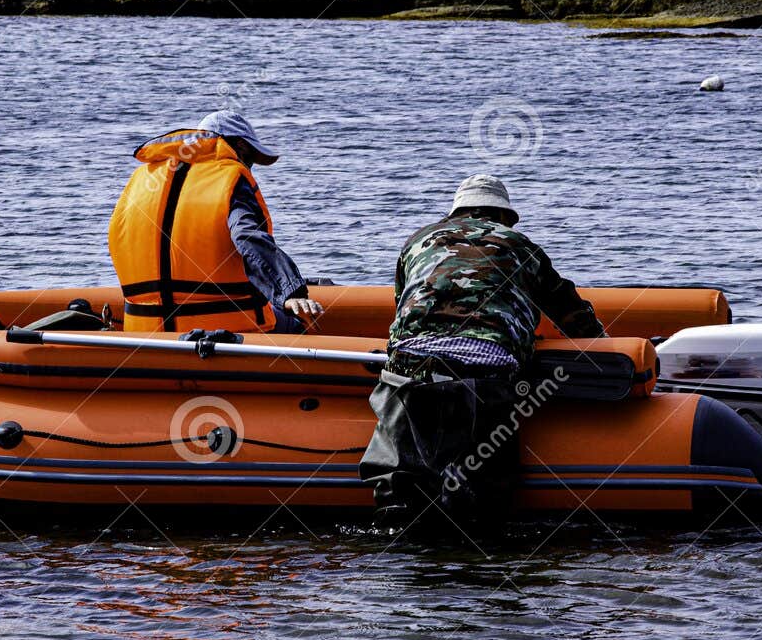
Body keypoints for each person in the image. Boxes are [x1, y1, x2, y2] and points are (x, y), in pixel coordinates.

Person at [360, 174, 605, 531]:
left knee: (398, 495)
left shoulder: (417, 242)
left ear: (456, 211)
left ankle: (398, 529)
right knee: (485, 496)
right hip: (487, 369)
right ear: (503, 216)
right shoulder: (522, 246)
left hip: (409, 368)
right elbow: (573, 317)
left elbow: (402, 307)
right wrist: (607, 351)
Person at [108, 111, 325, 333]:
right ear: (240, 146)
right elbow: (246, 235)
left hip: (145, 329)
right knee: (300, 326)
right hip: (225, 326)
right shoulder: (229, 178)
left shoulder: (144, 180)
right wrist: (289, 291)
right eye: (251, 158)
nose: (250, 168)